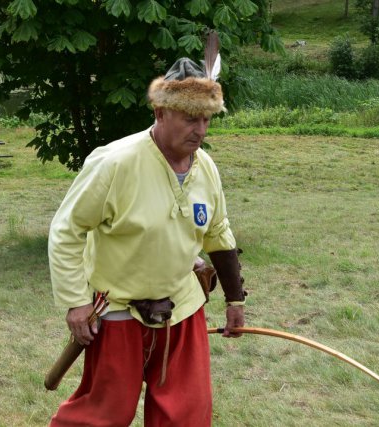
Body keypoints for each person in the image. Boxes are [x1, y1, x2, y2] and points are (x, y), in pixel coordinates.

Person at [47, 56, 247, 426]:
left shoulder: (206, 168)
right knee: (103, 414)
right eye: (190, 118)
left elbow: (219, 234)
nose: (200, 129)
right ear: (159, 111)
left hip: (182, 309)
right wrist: (76, 303)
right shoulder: (114, 164)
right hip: (118, 309)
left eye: (206, 119)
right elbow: (67, 231)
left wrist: (234, 299)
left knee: (185, 414)